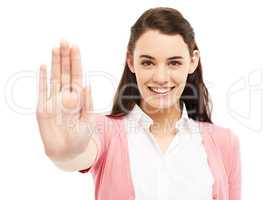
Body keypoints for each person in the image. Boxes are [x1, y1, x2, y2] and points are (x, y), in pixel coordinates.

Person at [36, 7, 241, 200]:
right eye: (148, 62)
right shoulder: (105, 131)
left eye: (174, 63)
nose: (161, 77)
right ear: (131, 62)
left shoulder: (225, 143)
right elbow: (78, 155)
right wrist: (65, 153)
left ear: (193, 61)